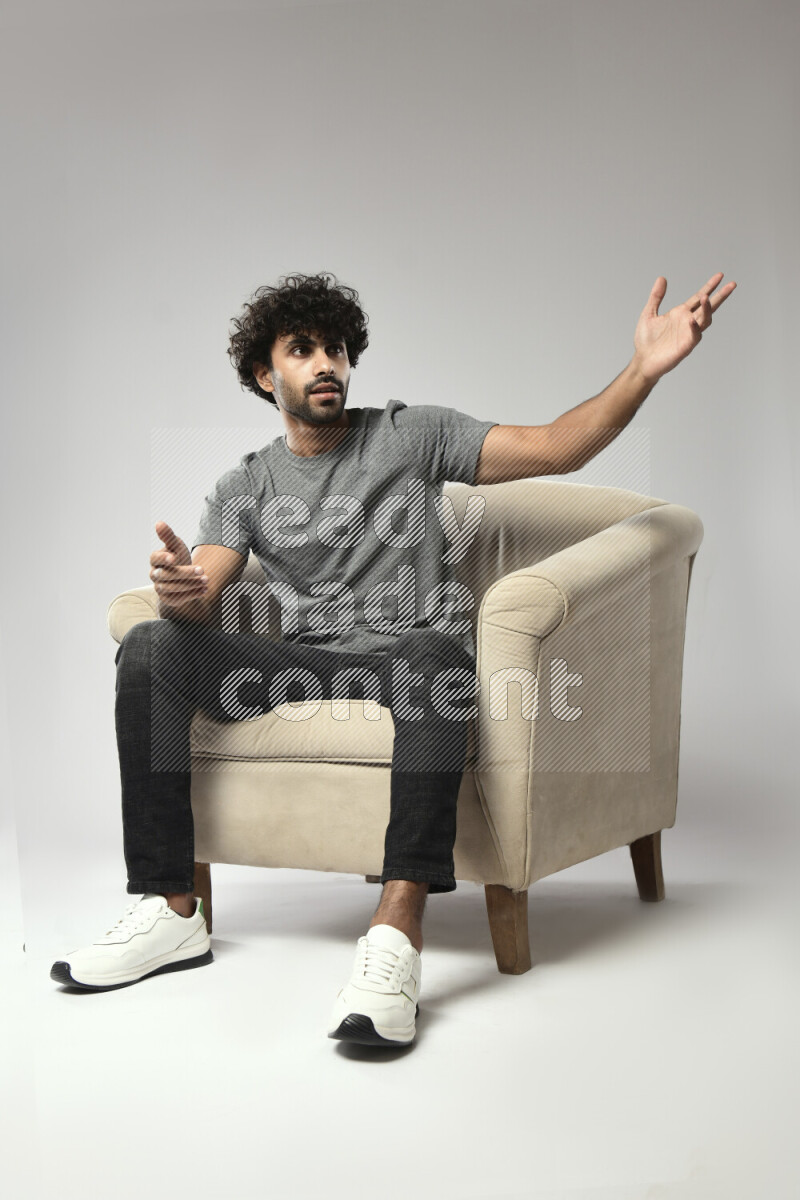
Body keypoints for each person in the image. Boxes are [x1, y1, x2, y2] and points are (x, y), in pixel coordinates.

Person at [50, 269, 736, 1046]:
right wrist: (178, 592)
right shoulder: (245, 484)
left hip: (414, 662)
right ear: (263, 374)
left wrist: (642, 368)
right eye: (302, 350)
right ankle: (170, 909)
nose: (326, 365)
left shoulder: (412, 436)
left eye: (336, 349)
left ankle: (396, 937)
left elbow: (555, 446)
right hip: (303, 666)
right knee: (150, 645)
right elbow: (202, 595)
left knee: (433, 651)